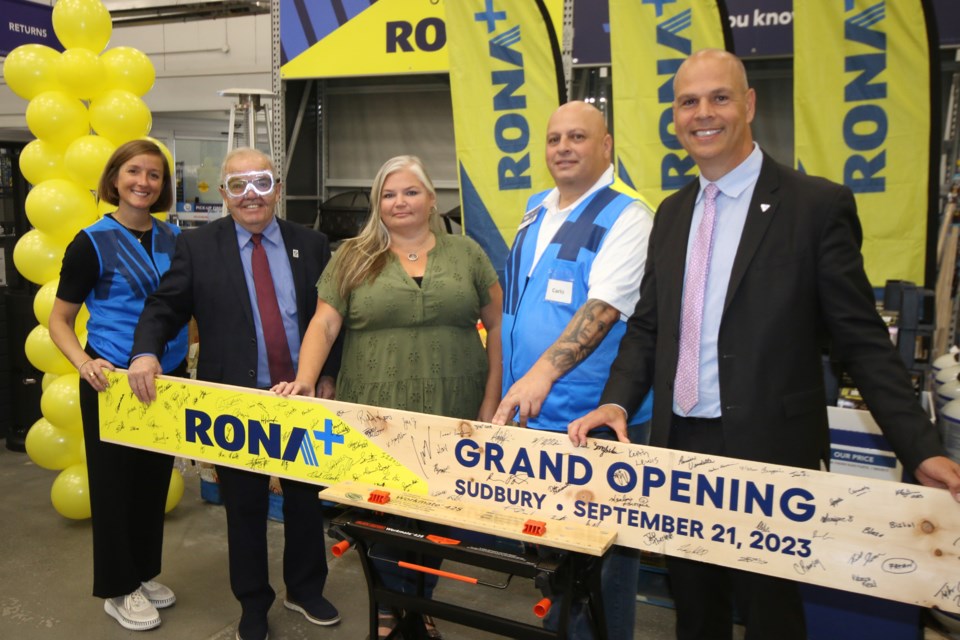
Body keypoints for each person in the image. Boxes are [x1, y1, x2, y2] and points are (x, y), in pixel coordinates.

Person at [569, 49, 960, 640]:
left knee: (772, 616)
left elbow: (862, 341)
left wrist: (921, 447)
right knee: (695, 612)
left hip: (772, 456)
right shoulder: (671, 215)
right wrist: (618, 401)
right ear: (675, 118)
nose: (704, 113)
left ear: (748, 104)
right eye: (688, 102)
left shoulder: (815, 207)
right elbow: (648, 328)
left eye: (719, 98)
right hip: (682, 449)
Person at [273, 155, 503, 640]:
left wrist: (490, 401)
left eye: (411, 191)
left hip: (453, 408)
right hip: (377, 412)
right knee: (382, 513)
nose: (400, 202)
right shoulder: (354, 255)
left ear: (430, 198)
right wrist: (306, 381)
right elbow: (324, 323)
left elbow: (500, 326)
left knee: (439, 514)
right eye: (389, 194)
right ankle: (389, 605)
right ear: (377, 203)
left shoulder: (467, 253)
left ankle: (419, 604)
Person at [126, 147, 340, 640]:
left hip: (302, 399)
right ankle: (253, 603)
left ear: (277, 190)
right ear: (223, 194)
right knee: (243, 508)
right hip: (233, 403)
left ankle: (305, 590)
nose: (251, 195)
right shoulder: (198, 247)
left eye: (262, 182)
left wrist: (328, 373)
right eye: (238, 185)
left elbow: (331, 319)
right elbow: (164, 307)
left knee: (306, 500)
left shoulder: (311, 243)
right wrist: (145, 353)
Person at [490, 100, 654, 639]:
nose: (563, 147)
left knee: (602, 570)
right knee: (557, 564)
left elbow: (601, 309)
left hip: (593, 421)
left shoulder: (627, 214)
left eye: (578, 137)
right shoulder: (537, 206)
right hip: (536, 419)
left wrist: (538, 374)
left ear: (606, 146)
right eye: (555, 138)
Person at [48, 139, 189, 632]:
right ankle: (117, 586)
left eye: (153, 175)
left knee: (153, 484)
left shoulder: (176, 239)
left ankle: (143, 572)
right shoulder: (90, 242)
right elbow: (60, 318)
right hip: (112, 383)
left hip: (168, 380)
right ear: (114, 179)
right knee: (114, 488)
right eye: (134, 172)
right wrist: (83, 362)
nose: (143, 183)